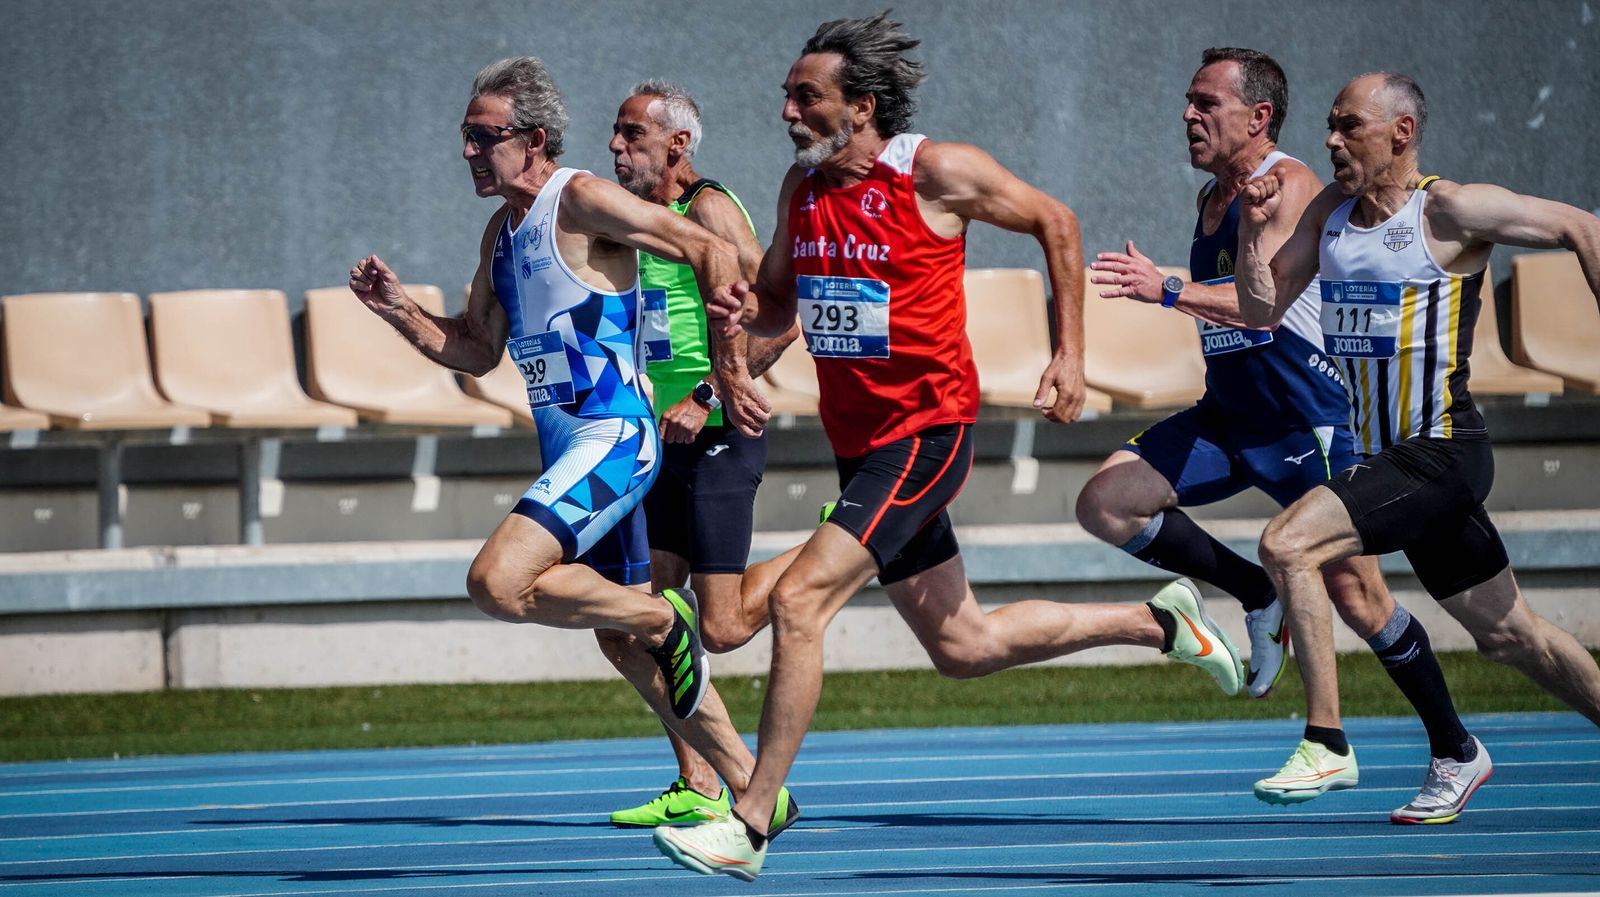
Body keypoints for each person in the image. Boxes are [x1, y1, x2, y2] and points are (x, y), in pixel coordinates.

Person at [653, 13, 1245, 880]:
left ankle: (749, 821)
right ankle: (1160, 620)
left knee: (800, 603)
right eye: (785, 94)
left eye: (803, 95)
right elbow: (779, 300)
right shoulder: (801, 188)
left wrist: (1070, 356)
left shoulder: (935, 171)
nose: (785, 109)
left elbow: (1058, 221)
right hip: (858, 446)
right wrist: (732, 352)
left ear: (860, 105)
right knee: (964, 647)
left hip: (925, 435)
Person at [348, 56, 790, 831]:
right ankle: (753, 787)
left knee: (497, 581)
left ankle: (664, 620)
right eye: (464, 136)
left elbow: (710, 251)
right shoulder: (499, 232)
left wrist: (723, 376)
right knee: (617, 640)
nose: (468, 152)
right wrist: (398, 311)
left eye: (483, 137)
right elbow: (476, 348)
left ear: (534, 138)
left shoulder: (581, 198)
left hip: (617, 439)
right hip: (570, 450)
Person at [1085, 48, 1483, 815]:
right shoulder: (1212, 195)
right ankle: (1251, 591)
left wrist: (1169, 289)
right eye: (1189, 101)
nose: (1188, 115)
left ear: (1258, 116)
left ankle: (1452, 744)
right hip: (1230, 415)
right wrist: (1176, 288)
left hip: (1305, 418)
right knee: (1106, 502)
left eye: (1207, 102)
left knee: (1359, 597)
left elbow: (1254, 306)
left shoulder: (1295, 184)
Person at [1236, 70, 1600, 824]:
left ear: (1400, 132)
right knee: (1509, 634)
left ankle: (1327, 737)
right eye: (1329, 126)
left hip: (1441, 448)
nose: (1332, 140)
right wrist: (1251, 226)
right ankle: (1459, 754)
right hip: (1390, 462)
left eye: (1350, 126)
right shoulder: (1329, 216)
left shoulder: (1450, 209)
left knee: (1288, 543)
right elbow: (1260, 307)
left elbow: (1582, 228)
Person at [600, 79, 803, 830]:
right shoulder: (639, 222)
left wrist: (711, 395)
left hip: (718, 432)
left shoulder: (709, 209)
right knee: (642, 618)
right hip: (661, 442)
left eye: (632, 135)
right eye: (615, 134)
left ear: (677, 145)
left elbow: (785, 316)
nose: (617, 148)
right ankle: (699, 781)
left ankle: (848, 545)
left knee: (718, 628)